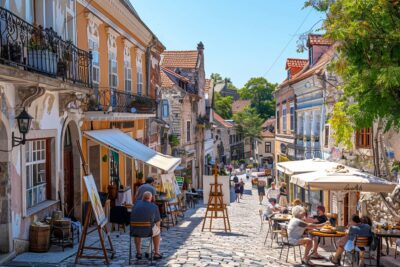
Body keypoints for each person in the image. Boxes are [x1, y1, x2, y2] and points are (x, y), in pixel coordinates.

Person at [130, 191, 162, 260]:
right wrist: (158, 228)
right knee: (157, 232)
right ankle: (156, 253)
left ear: (142, 198)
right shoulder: (154, 206)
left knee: (137, 230)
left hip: (134, 230)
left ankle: (138, 253)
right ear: (151, 198)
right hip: (148, 231)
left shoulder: (135, 205)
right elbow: (158, 222)